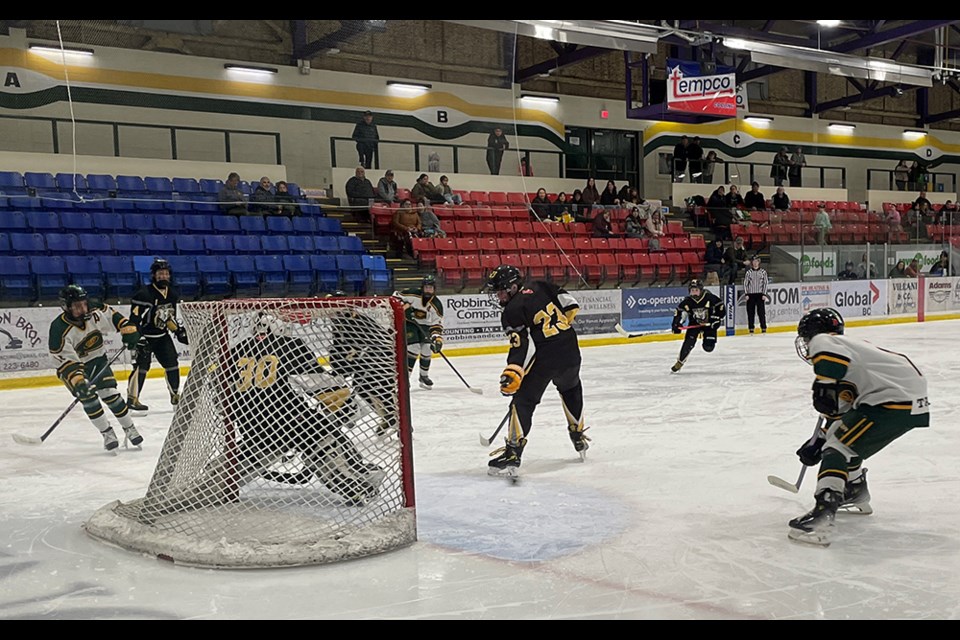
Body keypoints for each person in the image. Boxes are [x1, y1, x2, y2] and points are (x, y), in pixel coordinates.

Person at [788, 307, 929, 546]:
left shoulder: (827, 342)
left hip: (892, 400)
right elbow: (842, 417)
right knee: (840, 440)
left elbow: (827, 358)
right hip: (906, 402)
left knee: (838, 448)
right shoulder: (852, 354)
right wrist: (818, 441)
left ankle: (822, 517)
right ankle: (855, 491)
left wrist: (823, 384)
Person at [229, 312, 385, 506]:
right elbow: (320, 385)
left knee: (231, 473)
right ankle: (355, 483)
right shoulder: (290, 346)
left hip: (254, 428)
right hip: (294, 423)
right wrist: (347, 407)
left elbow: (222, 398)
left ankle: (221, 481)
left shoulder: (236, 351)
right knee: (323, 431)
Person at [481, 265, 589, 478]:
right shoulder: (540, 285)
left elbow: (523, 345)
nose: (498, 295)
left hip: (545, 358)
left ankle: (513, 453)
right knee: (571, 388)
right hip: (570, 350)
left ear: (513, 287)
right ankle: (578, 435)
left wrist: (514, 371)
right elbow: (571, 304)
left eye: (500, 291)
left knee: (523, 401)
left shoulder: (511, 311)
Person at [49, 285, 143, 451]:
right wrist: (79, 382)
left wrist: (128, 330)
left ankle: (129, 428)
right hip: (72, 369)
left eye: (83, 303)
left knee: (111, 395)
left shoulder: (95, 309)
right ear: (66, 307)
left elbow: (117, 319)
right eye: (76, 306)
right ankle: (107, 433)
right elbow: (65, 362)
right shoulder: (58, 329)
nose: (82, 308)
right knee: (90, 399)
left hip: (98, 360)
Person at [323, 292, 399, 438]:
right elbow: (341, 348)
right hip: (365, 363)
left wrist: (360, 355)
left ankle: (398, 421)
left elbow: (380, 342)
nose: (333, 312)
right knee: (363, 389)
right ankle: (389, 417)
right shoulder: (339, 323)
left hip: (382, 360)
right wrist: (339, 368)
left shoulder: (360, 321)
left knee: (380, 388)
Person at [126, 258, 189, 413]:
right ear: (154, 275)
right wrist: (138, 338)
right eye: (160, 274)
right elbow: (134, 319)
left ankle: (175, 395)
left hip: (161, 336)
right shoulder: (143, 294)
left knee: (172, 364)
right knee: (141, 367)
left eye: (166, 274)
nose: (163, 276)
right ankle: (132, 399)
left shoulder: (172, 293)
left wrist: (177, 330)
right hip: (145, 337)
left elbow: (167, 317)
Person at [395, 275, 444, 390]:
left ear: (434, 289)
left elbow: (437, 324)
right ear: (422, 287)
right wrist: (404, 308)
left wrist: (437, 339)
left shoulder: (437, 304)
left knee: (427, 348)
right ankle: (405, 379)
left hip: (425, 327)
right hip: (409, 324)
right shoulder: (411, 293)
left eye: (430, 288)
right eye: (426, 287)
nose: (428, 290)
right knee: (414, 348)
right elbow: (395, 297)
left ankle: (423, 376)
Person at [670, 279, 725, 373]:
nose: (694, 293)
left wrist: (716, 319)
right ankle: (680, 362)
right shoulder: (687, 301)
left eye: (696, 290)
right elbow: (678, 312)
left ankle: (708, 340)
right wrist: (676, 324)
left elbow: (721, 307)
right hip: (695, 324)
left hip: (709, 324)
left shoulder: (709, 297)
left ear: (701, 290)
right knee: (688, 342)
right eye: (692, 291)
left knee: (708, 347)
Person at [743, 256, 768, 334]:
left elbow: (765, 283)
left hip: (760, 294)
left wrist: (764, 293)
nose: (755, 263)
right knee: (750, 312)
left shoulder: (763, 272)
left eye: (756, 261)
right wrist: (746, 293)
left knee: (761, 312)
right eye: (754, 261)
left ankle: (763, 327)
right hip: (751, 295)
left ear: (759, 262)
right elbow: (745, 283)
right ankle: (751, 327)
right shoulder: (749, 272)